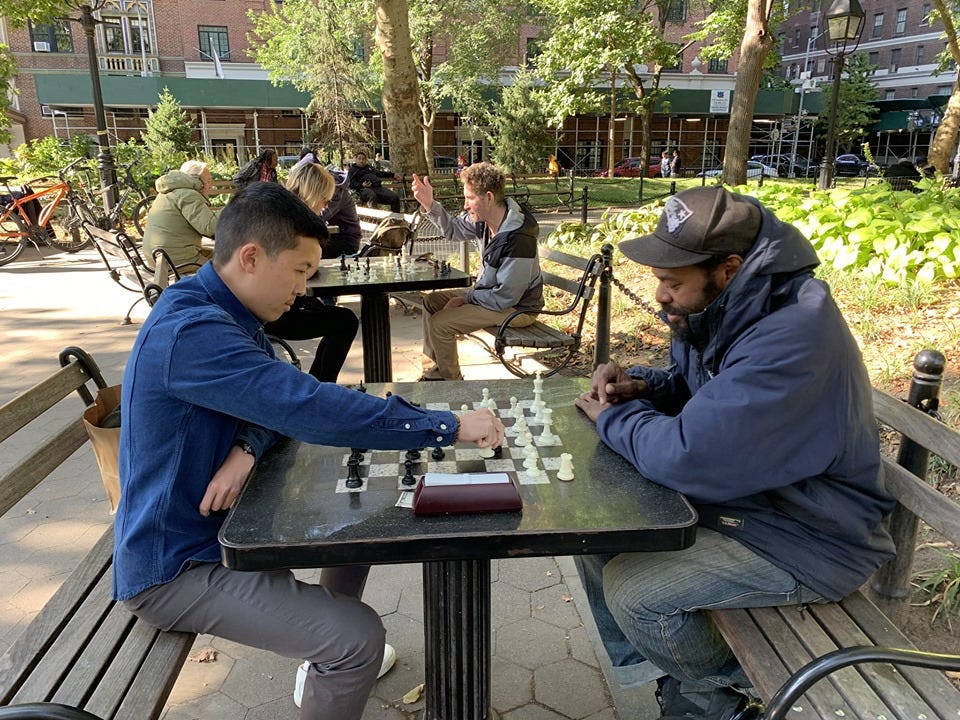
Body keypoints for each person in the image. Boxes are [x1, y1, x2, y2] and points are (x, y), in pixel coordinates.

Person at [113, 181, 506, 720]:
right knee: (358, 638)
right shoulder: (194, 331)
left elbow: (274, 395)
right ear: (251, 257)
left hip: (225, 529)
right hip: (174, 568)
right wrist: (447, 425)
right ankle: (334, 653)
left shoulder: (217, 307)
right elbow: (307, 406)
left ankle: (319, 651)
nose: (304, 290)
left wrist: (248, 446)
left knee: (361, 518)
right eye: (300, 271)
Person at [572, 186, 895, 720]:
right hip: (755, 504)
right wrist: (644, 387)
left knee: (635, 593)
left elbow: (688, 456)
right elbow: (705, 389)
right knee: (595, 533)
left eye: (673, 283)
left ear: (728, 268)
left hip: (809, 538)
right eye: (658, 281)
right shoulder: (735, 306)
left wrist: (613, 418)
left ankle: (726, 692)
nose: (660, 295)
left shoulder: (793, 335)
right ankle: (673, 675)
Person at [411, 162, 543, 381]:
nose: (465, 205)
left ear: (489, 197)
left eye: (470, 198)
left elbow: (505, 297)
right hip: (493, 297)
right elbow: (453, 230)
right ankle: (437, 373)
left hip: (518, 309)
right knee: (431, 302)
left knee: (441, 324)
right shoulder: (484, 221)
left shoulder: (519, 237)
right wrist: (429, 204)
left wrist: (467, 297)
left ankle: (453, 386)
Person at [263, 163, 361, 382]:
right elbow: (307, 269)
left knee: (332, 315)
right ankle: (321, 385)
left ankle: (318, 383)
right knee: (345, 321)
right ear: (313, 193)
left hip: (264, 307)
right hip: (273, 314)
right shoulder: (301, 223)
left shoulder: (277, 210)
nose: (326, 205)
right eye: (324, 199)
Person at [142, 159, 217, 269]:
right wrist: (232, 210)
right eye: (208, 181)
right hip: (176, 261)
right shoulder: (187, 195)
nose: (211, 186)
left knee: (223, 255)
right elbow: (209, 228)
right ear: (197, 181)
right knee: (228, 266)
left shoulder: (169, 191)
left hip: (160, 257)